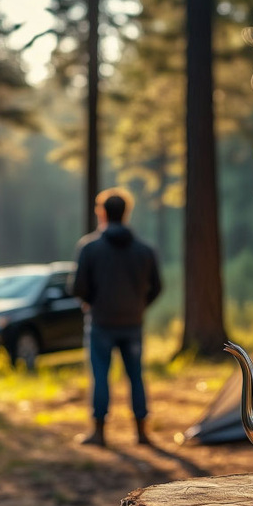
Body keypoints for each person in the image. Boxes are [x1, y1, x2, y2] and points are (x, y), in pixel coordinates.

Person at [72, 187, 163, 447]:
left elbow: (77, 287)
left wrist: (92, 303)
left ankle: (99, 433)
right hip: (133, 323)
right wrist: (140, 306)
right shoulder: (144, 250)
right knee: (136, 376)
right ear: (127, 212)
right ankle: (142, 433)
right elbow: (157, 287)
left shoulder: (89, 248)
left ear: (102, 213)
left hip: (101, 323)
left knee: (100, 377)